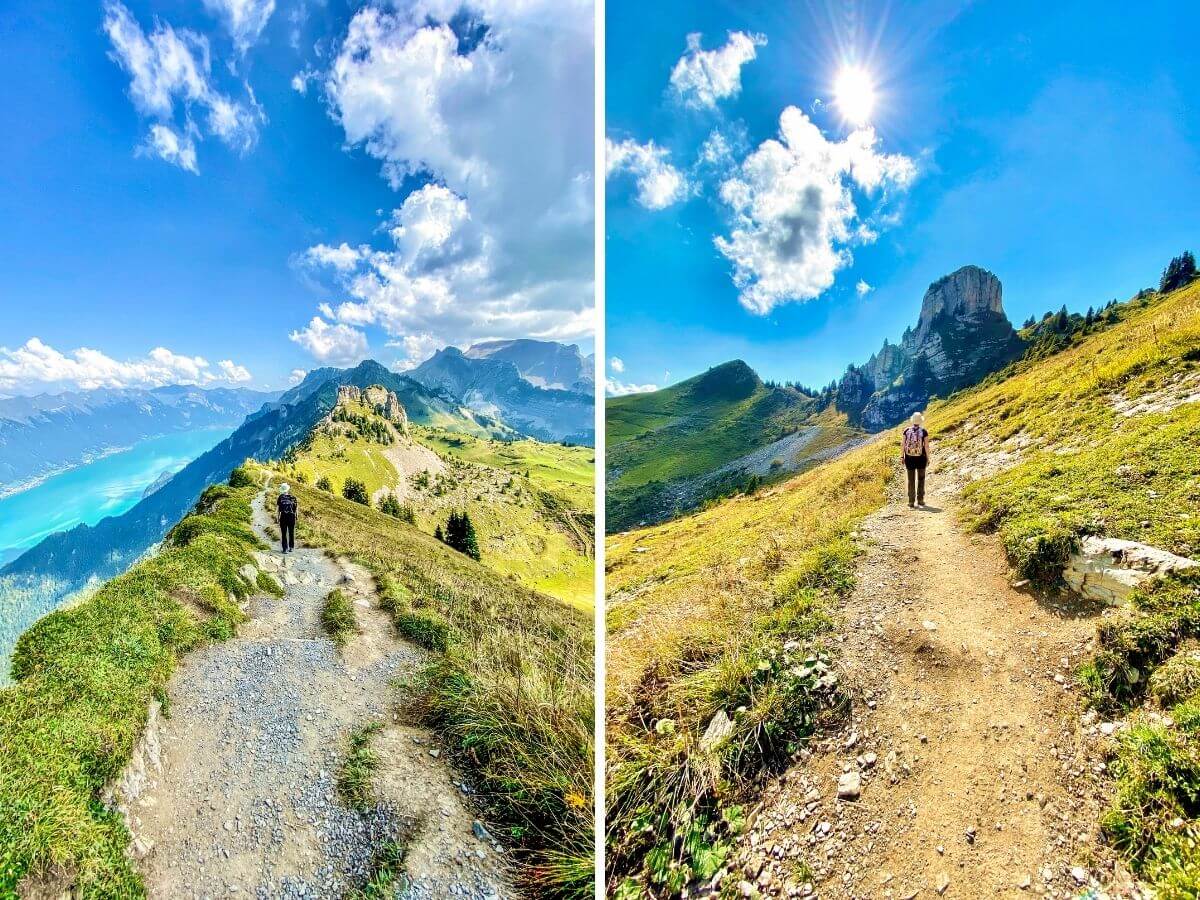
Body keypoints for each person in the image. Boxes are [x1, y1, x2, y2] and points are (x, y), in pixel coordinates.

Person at [901, 412, 930, 508]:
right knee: (921, 479)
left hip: (909, 458)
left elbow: (903, 445)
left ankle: (911, 501)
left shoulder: (906, 431)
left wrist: (902, 457)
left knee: (911, 480)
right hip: (921, 458)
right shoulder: (924, 432)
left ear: (912, 420)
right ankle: (920, 500)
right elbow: (926, 446)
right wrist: (928, 458)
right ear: (920, 421)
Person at [277, 483, 298, 553]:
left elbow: (278, 509)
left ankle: (285, 549)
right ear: (288, 489)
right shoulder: (293, 497)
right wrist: (296, 516)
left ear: (282, 490)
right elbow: (296, 508)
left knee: (284, 533)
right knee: (291, 532)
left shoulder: (280, 497)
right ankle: (291, 547)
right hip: (291, 517)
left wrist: (277, 518)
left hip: (283, 516)